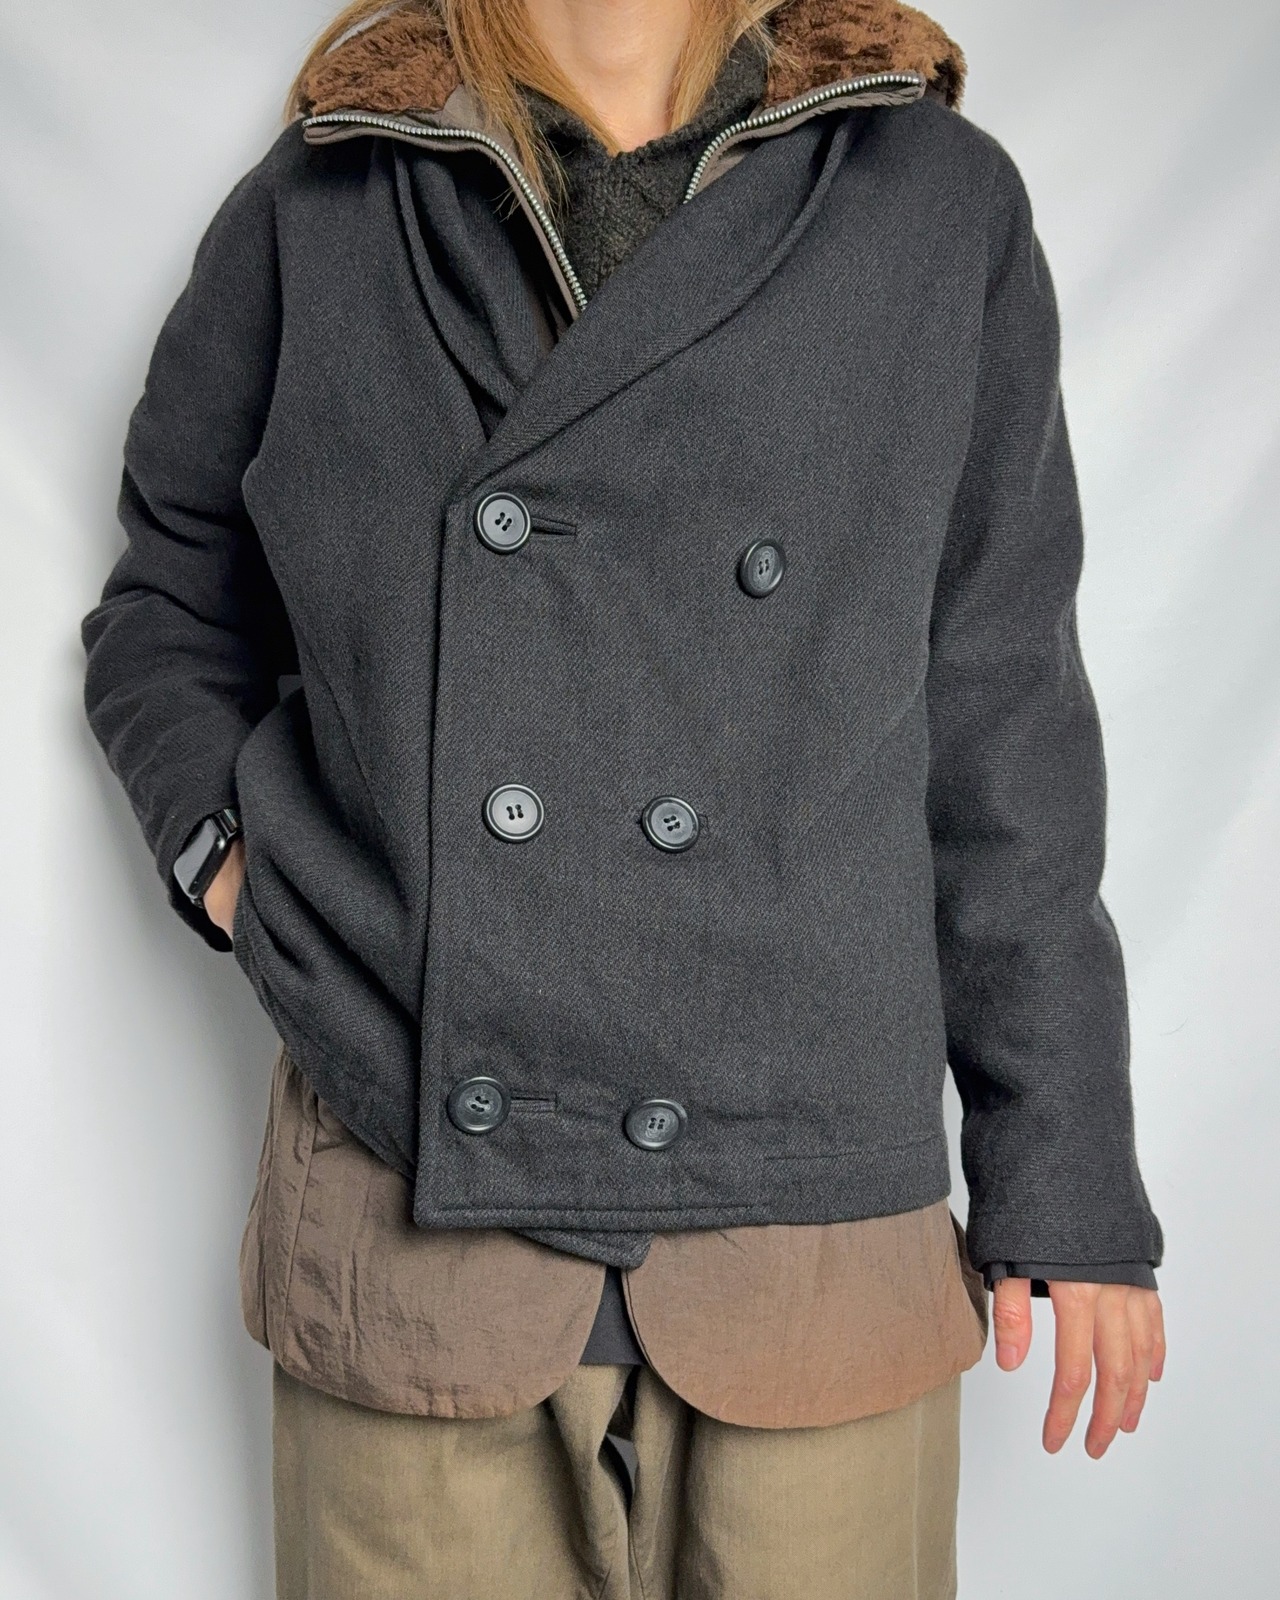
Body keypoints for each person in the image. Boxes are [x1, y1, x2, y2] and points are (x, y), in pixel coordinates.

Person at [81, 1, 1167, 1595]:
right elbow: (169, 596)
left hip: (809, 1209)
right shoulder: (325, 197)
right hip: (407, 1186)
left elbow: (1002, 702)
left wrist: (1063, 1172)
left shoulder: (936, 204)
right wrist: (237, 873)